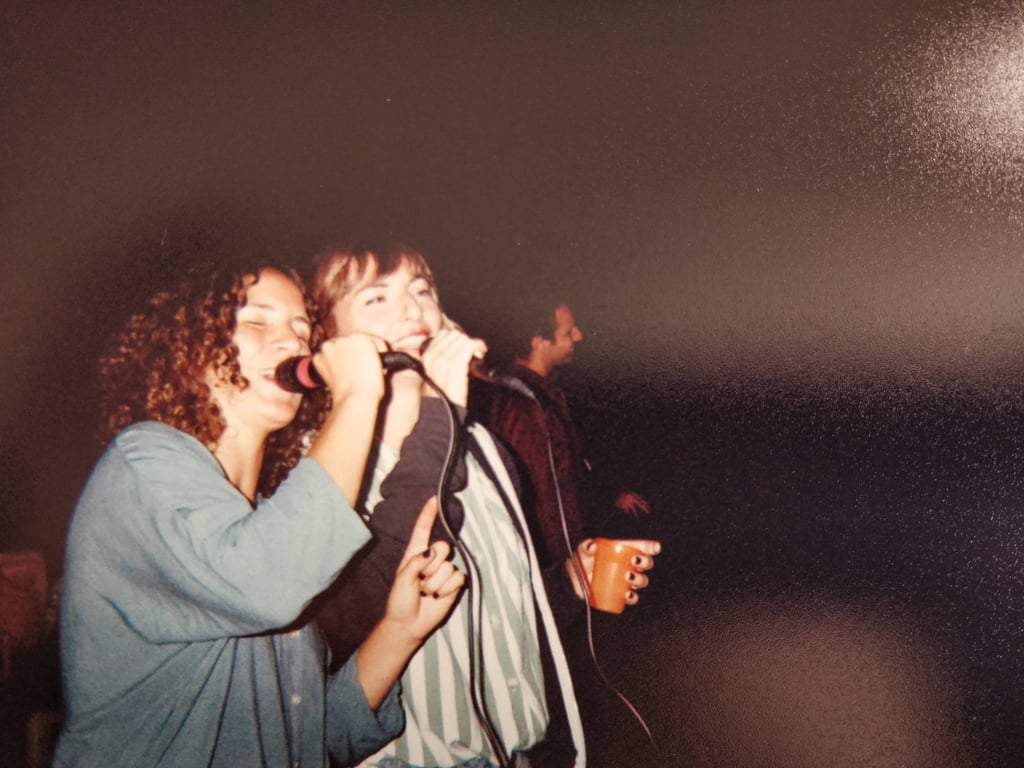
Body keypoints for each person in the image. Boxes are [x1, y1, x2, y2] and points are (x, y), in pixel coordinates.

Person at [54, 263, 464, 768]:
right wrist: (358, 394)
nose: (292, 342)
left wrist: (399, 632)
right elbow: (269, 584)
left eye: (301, 329)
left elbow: (310, 736)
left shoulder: (266, 522)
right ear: (191, 347)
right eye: (256, 321)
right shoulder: (141, 465)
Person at [310, 242, 661, 768]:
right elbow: (357, 612)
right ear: (328, 341)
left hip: (509, 753)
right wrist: (442, 410)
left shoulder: (484, 452)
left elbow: (495, 610)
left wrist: (567, 581)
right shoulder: (322, 472)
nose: (411, 310)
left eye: (421, 290)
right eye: (376, 299)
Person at [474, 297, 650, 571]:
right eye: (568, 332)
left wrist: (609, 497)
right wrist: (566, 570)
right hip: (552, 562)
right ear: (540, 342)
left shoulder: (546, 395)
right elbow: (543, 496)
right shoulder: (523, 405)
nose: (579, 336)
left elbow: (569, 471)